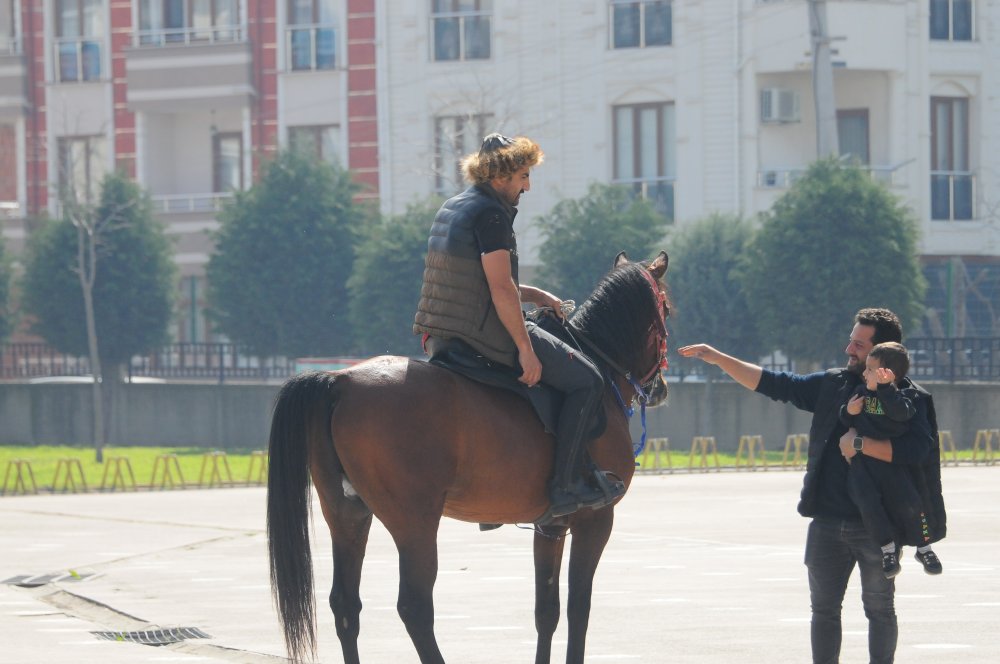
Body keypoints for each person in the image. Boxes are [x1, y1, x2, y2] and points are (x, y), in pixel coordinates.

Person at [678, 308, 946, 664]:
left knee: (880, 610)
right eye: (851, 341)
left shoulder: (910, 399)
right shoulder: (834, 384)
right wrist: (717, 358)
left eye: (859, 345)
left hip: (879, 526)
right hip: (826, 522)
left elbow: (918, 450)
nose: (849, 349)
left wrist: (862, 445)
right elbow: (775, 383)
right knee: (823, 612)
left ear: (883, 352)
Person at [413, 133, 625, 519]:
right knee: (588, 380)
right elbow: (498, 288)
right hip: (479, 332)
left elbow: (485, 282)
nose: (527, 185)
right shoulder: (491, 215)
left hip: (439, 335)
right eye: (524, 176)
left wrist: (539, 296)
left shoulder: (455, 206)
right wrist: (525, 349)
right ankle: (565, 486)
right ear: (501, 177)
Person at [839, 341, 943, 578]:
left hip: (893, 466)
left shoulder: (906, 397)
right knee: (869, 505)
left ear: (887, 374)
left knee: (911, 505)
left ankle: (923, 547)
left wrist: (886, 389)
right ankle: (887, 548)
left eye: (870, 369)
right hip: (863, 468)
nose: (864, 373)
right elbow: (844, 418)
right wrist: (849, 412)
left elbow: (901, 414)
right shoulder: (861, 393)